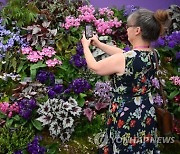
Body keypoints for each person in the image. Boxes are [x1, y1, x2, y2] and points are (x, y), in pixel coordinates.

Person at [81, 8, 171, 154]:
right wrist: (98, 44)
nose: (126, 30)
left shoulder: (125, 59)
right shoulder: (154, 54)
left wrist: (86, 46)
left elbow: (95, 67)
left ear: (137, 30)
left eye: (128, 27)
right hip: (145, 111)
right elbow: (122, 53)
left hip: (126, 113)